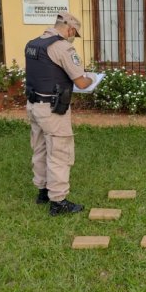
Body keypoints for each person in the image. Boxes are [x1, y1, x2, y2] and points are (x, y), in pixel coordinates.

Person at [24, 11, 95, 216]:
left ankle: (43, 191)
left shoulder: (33, 44)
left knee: (40, 148)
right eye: (74, 32)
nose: (73, 36)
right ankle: (59, 201)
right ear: (71, 29)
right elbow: (81, 82)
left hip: (34, 105)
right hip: (53, 110)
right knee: (59, 153)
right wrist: (92, 78)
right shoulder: (63, 47)